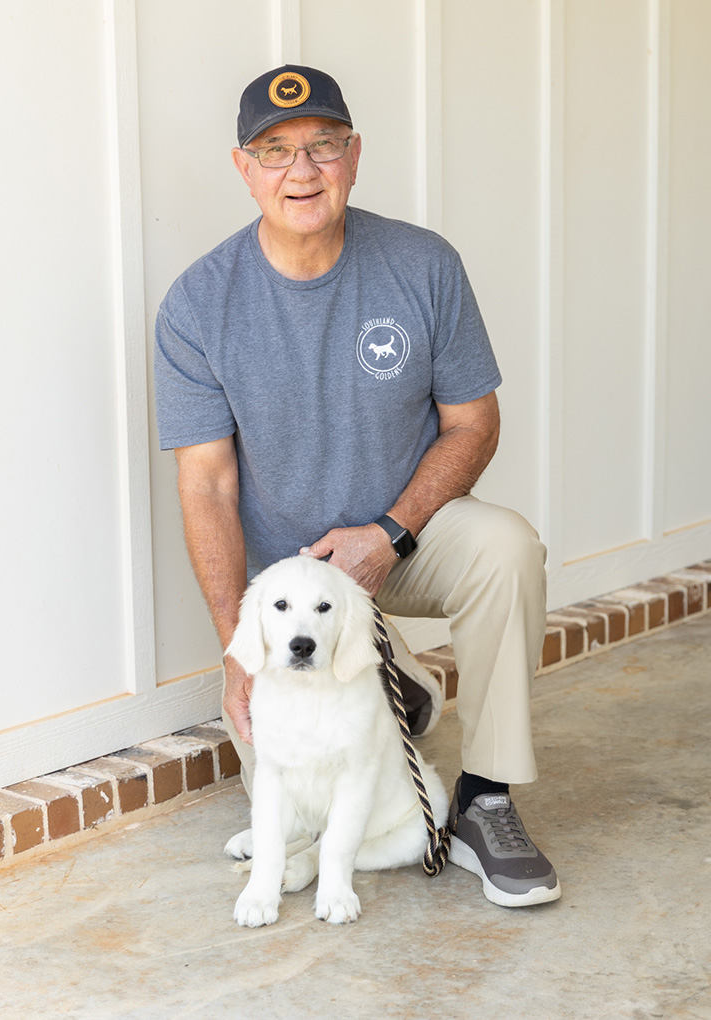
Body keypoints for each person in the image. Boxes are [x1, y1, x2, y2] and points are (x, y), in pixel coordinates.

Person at [154, 65, 560, 907]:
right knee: (294, 815)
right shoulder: (198, 304)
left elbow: (473, 424)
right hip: (294, 584)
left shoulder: (422, 264)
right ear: (243, 167)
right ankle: (393, 682)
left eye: (322, 146)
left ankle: (486, 800)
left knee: (507, 546)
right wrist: (240, 651)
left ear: (355, 154)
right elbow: (208, 490)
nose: (301, 171)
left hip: (400, 538)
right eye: (275, 152)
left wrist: (392, 531)